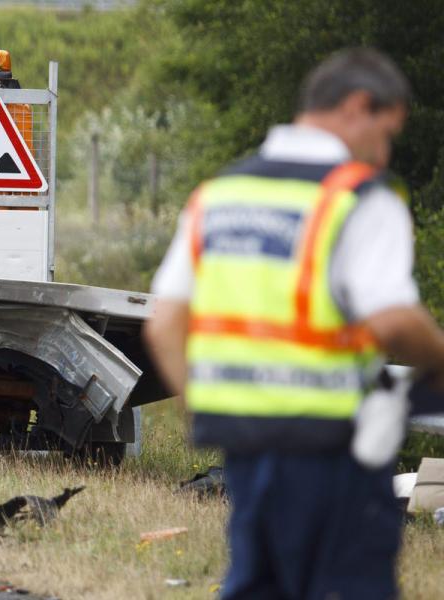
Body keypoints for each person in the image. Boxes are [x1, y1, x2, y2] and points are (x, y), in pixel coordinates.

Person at [144, 48, 444, 599]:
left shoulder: (221, 195)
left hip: (245, 449)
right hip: (337, 452)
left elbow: (164, 323)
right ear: (358, 107)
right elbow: (393, 318)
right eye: (386, 132)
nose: (384, 152)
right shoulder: (359, 197)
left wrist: (206, 407)